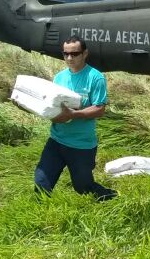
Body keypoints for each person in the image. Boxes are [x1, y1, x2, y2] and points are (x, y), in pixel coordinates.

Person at [33, 36, 118, 201]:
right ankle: (41, 218)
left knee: (83, 188)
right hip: (57, 140)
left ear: (85, 53)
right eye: (65, 54)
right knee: (41, 182)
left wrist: (73, 115)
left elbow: (99, 109)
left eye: (75, 54)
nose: (69, 58)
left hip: (81, 145)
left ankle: (111, 197)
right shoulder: (59, 78)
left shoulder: (96, 77)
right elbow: (54, 106)